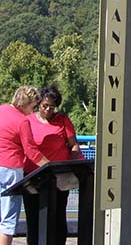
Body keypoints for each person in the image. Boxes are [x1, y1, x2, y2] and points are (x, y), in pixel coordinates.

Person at [0, 85, 40, 245]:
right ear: (25, 103)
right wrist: (49, 166)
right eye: (33, 106)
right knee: (8, 217)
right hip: (10, 168)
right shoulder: (22, 121)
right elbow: (31, 150)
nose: (33, 111)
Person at [23, 84, 83, 245]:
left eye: (52, 107)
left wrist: (78, 164)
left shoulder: (63, 120)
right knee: (33, 216)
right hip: (33, 176)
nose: (48, 110)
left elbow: (73, 145)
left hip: (59, 178)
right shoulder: (27, 121)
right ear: (38, 104)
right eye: (45, 106)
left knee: (57, 216)